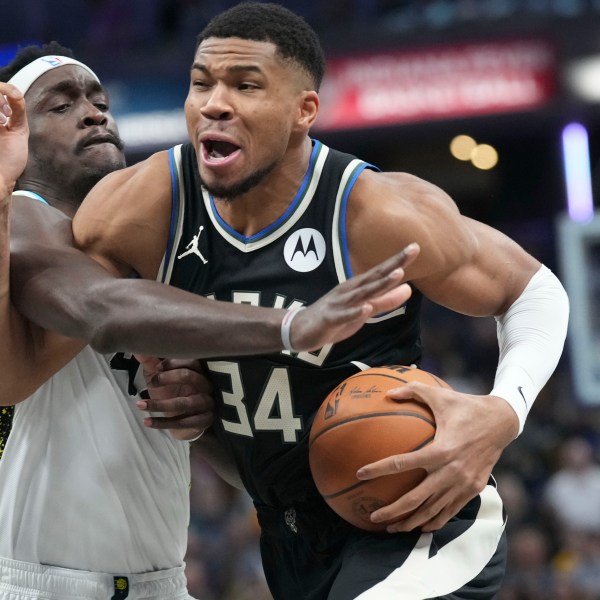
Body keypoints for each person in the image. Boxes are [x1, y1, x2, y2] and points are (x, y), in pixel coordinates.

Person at [16, 2, 570, 596]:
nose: (215, 103)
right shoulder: (137, 209)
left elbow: (532, 289)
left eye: (245, 85)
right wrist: (193, 404)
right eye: (201, 83)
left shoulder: (371, 210)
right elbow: (88, 317)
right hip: (286, 533)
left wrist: (504, 410)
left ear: (304, 110)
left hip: (416, 514)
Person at [0, 43, 416, 600]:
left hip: (157, 580)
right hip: (47, 580)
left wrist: (197, 417)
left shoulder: (147, 243)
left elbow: (211, 437)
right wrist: (291, 325)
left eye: (99, 100)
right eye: (61, 105)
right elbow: (102, 312)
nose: (95, 112)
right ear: (14, 136)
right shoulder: (21, 226)